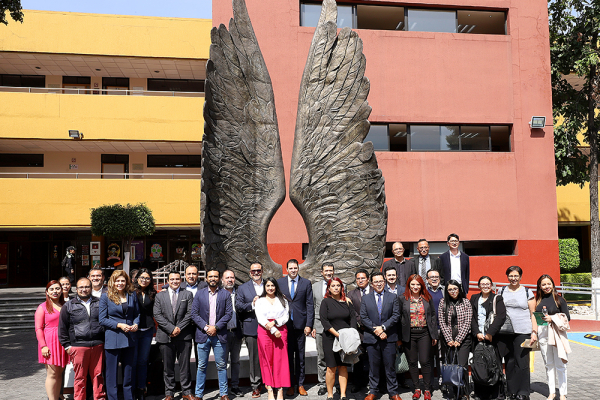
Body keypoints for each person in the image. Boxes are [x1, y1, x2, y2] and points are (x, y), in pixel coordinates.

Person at [58, 277, 107, 400]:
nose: (84, 289)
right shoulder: (68, 306)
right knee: (80, 377)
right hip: (78, 346)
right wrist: (67, 346)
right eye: (81, 287)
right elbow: (62, 328)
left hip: (98, 344)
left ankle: (99, 398)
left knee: (98, 375)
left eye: (86, 287)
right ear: (76, 289)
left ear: (91, 288)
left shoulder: (100, 302)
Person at [154, 271, 196, 400]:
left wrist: (178, 328)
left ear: (181, 280)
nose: (175, 281)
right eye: (172, 279)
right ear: (168, 280)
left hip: (184, 336)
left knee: (185, 366)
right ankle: (169, 393)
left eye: (177, 279)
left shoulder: (187, 294)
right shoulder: (160, 296)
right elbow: (157, 315)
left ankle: (186, 392)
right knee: (168, 367)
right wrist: (171, 329)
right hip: (165, 336)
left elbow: (190, 313)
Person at [192, 268, 233, 400]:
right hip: (203, 335)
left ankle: (224, 393)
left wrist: (215, 327)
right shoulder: (199, 294)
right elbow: (194, 314)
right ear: (206, 278)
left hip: (219, 335)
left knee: (221, 365)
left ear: (219, 278)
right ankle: (198, 394)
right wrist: (206, 327)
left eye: (215, 276)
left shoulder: (225, 294)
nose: (213, 279)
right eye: (210, 276)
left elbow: (228, 314)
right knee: (201, 366)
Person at [497, 266, 537, 400]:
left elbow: (533, 314)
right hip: (505, 332)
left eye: (516, 276)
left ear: (520, 277)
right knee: (509, 361)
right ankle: (512, 391)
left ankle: (523, 392)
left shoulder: (527, 292)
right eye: (511, 276)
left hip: (523, 332)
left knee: (522, 362)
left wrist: (534, 332)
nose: (513, 278)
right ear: (507, 276)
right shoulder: (501, 290)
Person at [360, 272, 401, 400]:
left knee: (390, 366)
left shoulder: (392, 297)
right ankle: (373, 391)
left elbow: (396, 315)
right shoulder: (366, 298)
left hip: (389, 337)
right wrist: (376, 330)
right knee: (373, 366)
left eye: (381, 281)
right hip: (372, 338)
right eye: (376, 282)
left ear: (384, 282)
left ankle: (393, 392)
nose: (379, 284)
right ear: (371, 284)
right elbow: (363, 317)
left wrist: (383, 328)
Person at [99, 270, 140, 400]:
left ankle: (129, 398)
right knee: (112, 374)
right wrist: (119, 325)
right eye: (117, 280)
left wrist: (136, 324)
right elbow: (102, 319)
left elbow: (137, 314)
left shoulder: (132, 295)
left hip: (130, 338)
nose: (120, 283)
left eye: (123, 280)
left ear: (126, 282)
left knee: (128, 373)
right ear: (113, 281)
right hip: (113, 338)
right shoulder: (105, 296)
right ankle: (113, 398)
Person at [398, 274, 438, 400]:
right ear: (409, 285)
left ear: (422, 285)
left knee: (425, 361)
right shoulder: (402, 298)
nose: (415, 287)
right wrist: (399, 338)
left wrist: (434, 335)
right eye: (413, 284)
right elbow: (399, 318)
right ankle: (416, 388)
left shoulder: (427, 298)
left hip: (424, 333)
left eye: (418, 284)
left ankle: (427, 389)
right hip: (409, 334)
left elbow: (432, 316)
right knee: (412, 362)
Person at [277, 259, 313, 396]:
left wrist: (309, 324)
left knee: (300, 356)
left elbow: (309, 305)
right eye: (290, 268)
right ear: (287, 269)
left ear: (298, 268)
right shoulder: (280, 283)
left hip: (301, 326)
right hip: (285, 326)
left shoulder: (306, 283)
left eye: (295, 268)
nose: (293, 270)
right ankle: (289, 385)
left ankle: (301, 384)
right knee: (287, 356)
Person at [320, 277, 357, 400]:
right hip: (330, 338)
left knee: (343, 366)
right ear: (329, 288)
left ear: (341, 287)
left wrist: (351, 334)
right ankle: (330, 395)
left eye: (338, 285)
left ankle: (343, 394)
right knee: (331, 367)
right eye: (333, 286)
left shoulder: (347, 301)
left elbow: (353, 319)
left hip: (345, 339)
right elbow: (324, 321)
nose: (336, 288)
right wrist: (337, 335)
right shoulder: (325, 302)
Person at [470, 276, 506, 400]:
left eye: (488, 284)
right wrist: (476, 333)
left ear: (491, 285)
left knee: (493, 365)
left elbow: (501, 317)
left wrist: (490, 333)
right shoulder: (474, 298)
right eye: (482, 284)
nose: (485, 286)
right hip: (478, 338)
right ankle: (480, 393)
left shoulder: (497, 298)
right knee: (479, 365)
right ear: (479, 286)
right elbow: (472, 318)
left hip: (493, 338)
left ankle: (496, 394)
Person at [535, 274, 570, 400]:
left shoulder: (559, 300)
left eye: (549, 283)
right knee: (548, 364)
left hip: (557, 334)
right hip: (543, 333)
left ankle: (563, 393)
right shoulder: (538, 300)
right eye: (543, 284)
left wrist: (552, 318)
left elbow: (567, 318)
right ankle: (551, 392)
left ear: (553, 284)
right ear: (540, 286)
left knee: (560, 364)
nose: (546, 286)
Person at [255, 278, 291, 400]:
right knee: (267, 359)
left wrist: (275, 323)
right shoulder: (260, 301)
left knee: (280, 360)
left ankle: (280, 389)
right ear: (264, 287)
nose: (270, 288)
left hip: (280, 330)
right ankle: (270, 388)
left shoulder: (283, 300)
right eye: (268, 285)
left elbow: (286, 316)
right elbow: (260, 317)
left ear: (276, 287)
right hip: (265, 330)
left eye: (272, 285)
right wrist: (273, 329)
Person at [438, 280, 473, 400]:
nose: (453, 291)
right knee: (451, 366)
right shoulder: (443, 302)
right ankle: (453, 392)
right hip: (448, 339)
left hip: (463, 339)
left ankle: (464, 392)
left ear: (459, 289)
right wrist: (449, 339)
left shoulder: (466, 302)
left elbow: (467, 322)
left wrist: (458, 339)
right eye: (450, 289)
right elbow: (442, 322)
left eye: (455, 288)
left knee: (462, 366)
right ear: (447, 291)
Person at [35, 280, 69, 400]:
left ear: (61, 290)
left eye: (57, 289)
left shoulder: (65, 305)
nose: (55, 291)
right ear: (47, 292)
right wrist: (43, 345)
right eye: (52, 289)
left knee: (59, 373)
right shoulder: (42, 307)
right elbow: (38, 328)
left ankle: (57, 397)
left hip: (63, 342)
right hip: (50, 343)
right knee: (52, 374)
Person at [236, 262, 266, 397]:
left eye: (258, 270)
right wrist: (252, 304)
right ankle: (256, 385)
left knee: (268, 356)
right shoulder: (243, 288)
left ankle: (269, 382)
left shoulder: (270, 285)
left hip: (269, 328)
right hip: (251, 326)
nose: (256, 273)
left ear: (262, 271)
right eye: (253, 271)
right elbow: (239, 306)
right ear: (249, 273)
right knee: (254, 358)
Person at [312, 263, 335, 396]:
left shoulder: (339, 284)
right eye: (326, 271)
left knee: (336, 355)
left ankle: (334, 382)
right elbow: (313, 306)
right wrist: (313, 326)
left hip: (335, 326)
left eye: (330, 271)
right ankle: (322, 383)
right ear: (322, 272)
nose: (328, 273)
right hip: (320, 326)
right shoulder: (315, 287)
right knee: (321, 356)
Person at [133, 268, 157, 400]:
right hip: (133, 331)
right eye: (142, 277)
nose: (144, 280)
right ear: (137, 278)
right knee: (133, 361)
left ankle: (141, 388)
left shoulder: (152, 293)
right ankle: (132, 388)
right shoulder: (131, 293)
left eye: (147, 278)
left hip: (147, 330)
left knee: (143, 361)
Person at [347, 269, 370, 393]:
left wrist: (369, 324)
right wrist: (361, 321)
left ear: (368, 279)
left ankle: (374, 383)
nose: (360, 280)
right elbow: (351, 311)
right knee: (358, 360)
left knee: (373, 359)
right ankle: (357, 383)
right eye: (358, 278)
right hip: (358, 331)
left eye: (362, 278)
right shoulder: (351, 294)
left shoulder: (373, 291)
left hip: (373, 331)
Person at [222, 269, 243, 396]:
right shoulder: (218, 293)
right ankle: (223, 388)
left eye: (232, 277)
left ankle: (235, 386)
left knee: (235, 361)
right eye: (227, 278)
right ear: (222, 280)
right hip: (223, 333)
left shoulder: (239, 292)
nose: (230, 280)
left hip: (237, 332)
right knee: (222, 362)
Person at [425, 269, 444, 393]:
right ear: (427, 279)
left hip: (443, 330)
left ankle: (443, 382)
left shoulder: (445, 291)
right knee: (428, 358)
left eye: (436, 276)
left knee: (442, 358)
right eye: (431, 277)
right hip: (428, 330)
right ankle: (430, 383)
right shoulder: (423, 293)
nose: (434, 279)